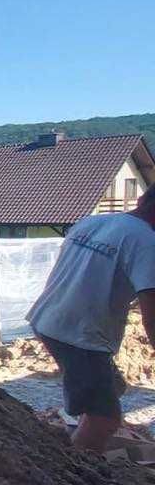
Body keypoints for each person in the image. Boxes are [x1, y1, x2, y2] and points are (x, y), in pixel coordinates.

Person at [27, 187, 155, 451]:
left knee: (114, 386)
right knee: (105, 419)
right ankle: (72, 476)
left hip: (47, 320)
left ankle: (79, 434)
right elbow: (151, 316)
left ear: (142, 199)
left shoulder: (93, 221)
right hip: (79, 335)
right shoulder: (147, 242)